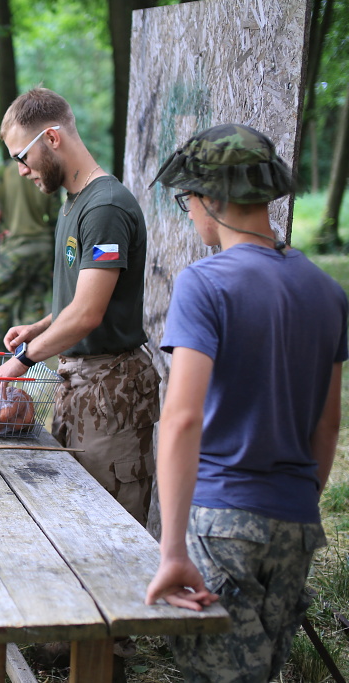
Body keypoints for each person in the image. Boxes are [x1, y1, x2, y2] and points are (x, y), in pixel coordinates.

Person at [144, 124, 346, 682]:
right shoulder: (328, 292)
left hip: (221, 523)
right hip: (297, 521)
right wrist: (295, 506)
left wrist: (172, 548)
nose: (188, 213)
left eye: (187, 200)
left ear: (212, 199)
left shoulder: (205, 284)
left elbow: (182, 419)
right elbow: (327, 426)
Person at [0, 87, 160, 526]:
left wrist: (23, 361)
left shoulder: (104, 207)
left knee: (111, 525)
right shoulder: (75, 202)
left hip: (112, 390)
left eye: (20, 157)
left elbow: (88, 314)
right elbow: (80, 299)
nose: (22, 170)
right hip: (79, 383)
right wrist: (39, 327)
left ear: (52, 137)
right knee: (77, 516)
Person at [0, 165, 61, 351]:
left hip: (14, 249)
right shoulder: (45, 171)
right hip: (42, 249)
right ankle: (30, 365)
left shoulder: (1, 173)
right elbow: (55, 217)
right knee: (33, 307)